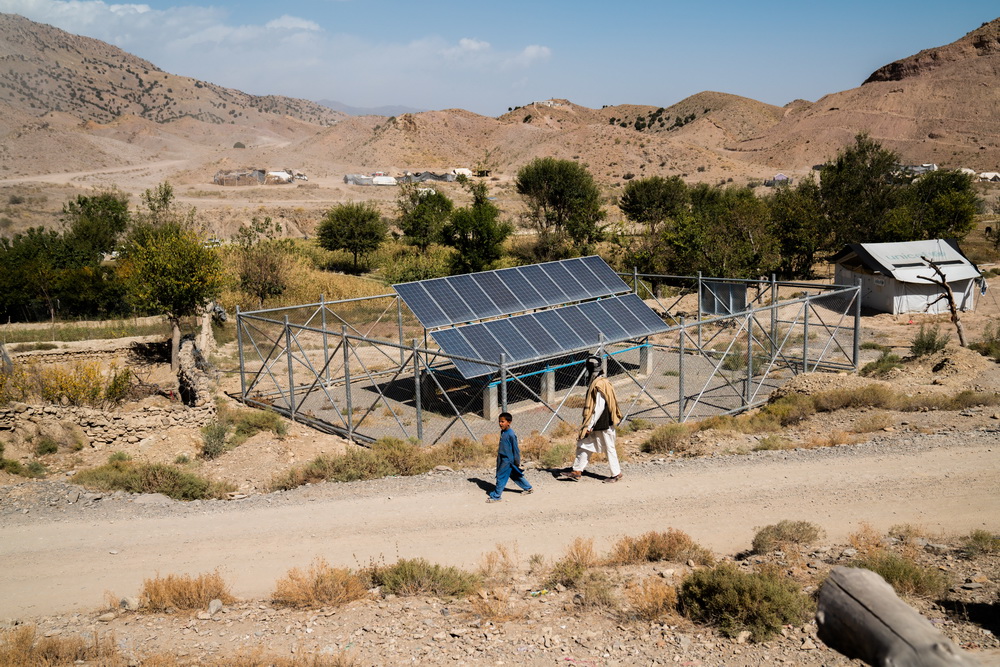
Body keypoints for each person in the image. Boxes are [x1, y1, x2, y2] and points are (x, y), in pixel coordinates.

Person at [560, 355, 623, 483]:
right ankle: (577, 471)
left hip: (602, 422)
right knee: (583, 444)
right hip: (598, 422)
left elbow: (599, 407)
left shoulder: (599, 384)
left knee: (609, 447)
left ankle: (616, 474)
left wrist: (589, 426)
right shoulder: (603, 382)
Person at [487, 412, 533, 503]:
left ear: (509, 422)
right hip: (502, 457)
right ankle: (528, 488)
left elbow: (515, 449)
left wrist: (517, 460)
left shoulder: (511, 434)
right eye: (499, 421)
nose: (500, 423)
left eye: (502, 421)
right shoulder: (503, 432)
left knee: (501, 476)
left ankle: (496, 496)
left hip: (507, 460)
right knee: (514, 474)